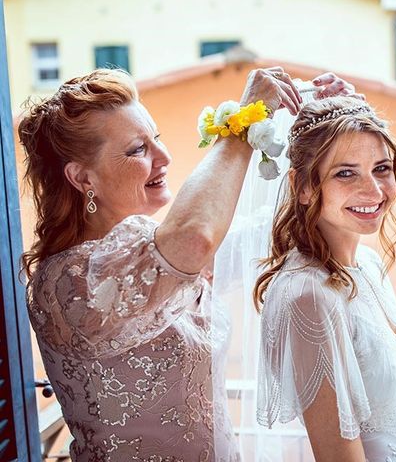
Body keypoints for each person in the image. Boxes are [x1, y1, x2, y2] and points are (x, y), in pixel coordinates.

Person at [20, 66, 357, 461]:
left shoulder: (149, 249)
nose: (164, 157)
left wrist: (330, 122)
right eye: (137, 150)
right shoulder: (72, 282)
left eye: (156, 139)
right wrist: (241, 124)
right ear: (82, 178)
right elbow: (195, 238)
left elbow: (275, 228)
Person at [254, 96, 396, 461]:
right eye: (346, 172)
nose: (375, 190)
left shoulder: (368, 266)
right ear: (303, 187)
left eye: (381, 168)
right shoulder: (308, 295)